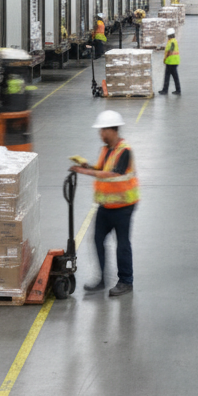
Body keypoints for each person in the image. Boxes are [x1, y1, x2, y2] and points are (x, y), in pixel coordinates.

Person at [73, 110, 138, 297]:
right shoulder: (106, 149)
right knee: (97, 239)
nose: (101, 134)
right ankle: (101, 279)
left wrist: (86, 173)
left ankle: (126, 281)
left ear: (113, 130)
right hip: (106, 206)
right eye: (100, 131)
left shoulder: (125, 150)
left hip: (124, 206)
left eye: (103, 130)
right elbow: (102, 169)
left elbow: (115, 175)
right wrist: (87, 166)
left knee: (122, 244)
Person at [158, 27, 181, 95]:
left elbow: (170, 51)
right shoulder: (173, 41)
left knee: (173, 76)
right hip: (172, 61)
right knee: (168, 76)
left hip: (172, 62)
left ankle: (176, 90)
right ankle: (165, 90)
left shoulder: (172, 42)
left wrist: (165, 58)